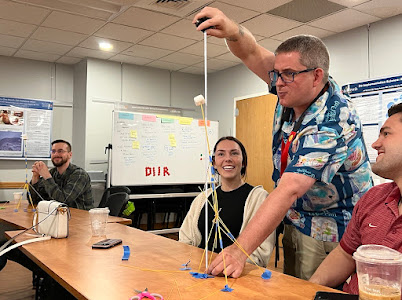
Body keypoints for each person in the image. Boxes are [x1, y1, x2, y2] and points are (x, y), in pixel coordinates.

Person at [193, 7, 372, 279]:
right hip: (298, 220)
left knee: (313, 292)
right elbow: (252, 52)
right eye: (276, 73)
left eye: (287, 74)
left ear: (316, 76)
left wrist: (240, 250)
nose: (277, 83)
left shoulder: (331, 122)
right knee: (291, 284)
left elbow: (289, 189)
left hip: (334, 230)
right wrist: (232, 29)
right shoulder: (293, 86)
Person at [309, 102, 402, 294]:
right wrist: (309, 290)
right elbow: (345, 254)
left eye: (386, 134)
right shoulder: (374, 198)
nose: (375, 144)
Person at [179, 136, 275, 267]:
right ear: (214, 163)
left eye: (234, 153)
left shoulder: (258, 198)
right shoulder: (202, 198)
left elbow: (261, 253)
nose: (227, 159)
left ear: (243, 162)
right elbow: (185, 240)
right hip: (199, 270)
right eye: (221, 154)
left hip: (237, 274)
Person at [30, 139, 94, 210]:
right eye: (53, 151)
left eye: (60, 151)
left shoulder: (79, 175)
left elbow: (63, 201)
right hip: (59, 216)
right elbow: (33, 201)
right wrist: (35, 177)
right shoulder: (52, 173)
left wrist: (47, 177)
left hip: (81, 218)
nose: (56, 154)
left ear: (70, 155)